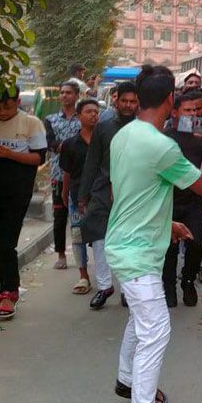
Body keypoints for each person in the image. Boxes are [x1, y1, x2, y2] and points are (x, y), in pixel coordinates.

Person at [104, 67, 202, 403]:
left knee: (141, 318)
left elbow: (131, 189)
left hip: (131, 243)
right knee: (156, 329)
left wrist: (162, 223)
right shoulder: (161, 145)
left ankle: (126, 380)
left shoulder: (125, 135)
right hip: (136, 251)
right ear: (170, 99)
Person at [0, 86, 48, 320]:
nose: (2, 112)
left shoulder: (31, 123)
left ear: (17, 102)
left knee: (5, 242)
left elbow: (38, 158)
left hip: (18, 190)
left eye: (7, 106)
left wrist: (8, 154)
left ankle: (9, 293)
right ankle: (4, 289)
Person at [79, 81, 139, 310]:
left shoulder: (144, 128)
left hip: (133, 193)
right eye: (124, 100)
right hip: (103, 191)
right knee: (99, 237)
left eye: (133, 101)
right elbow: (92, 162)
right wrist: (83, 196)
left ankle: (127, 290)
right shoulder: (103, 128)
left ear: (138, 103)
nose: (128, 105)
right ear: (116, 100)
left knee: (128, 243)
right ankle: (105, 287)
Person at [160, 92, 202, 308]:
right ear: (175, 112)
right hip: (168, 201)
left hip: (194, 200)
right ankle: (168, 286)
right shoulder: (165, 137)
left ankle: (188, 280)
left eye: (196, 109)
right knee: (168, 248)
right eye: (187, 110)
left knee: (196, 242)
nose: (193, 114)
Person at [59, 99, 102, 295]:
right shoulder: (69, 145)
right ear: (78, 116)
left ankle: (105, 276)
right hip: (77, 196)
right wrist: (64, 192)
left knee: (103, 238)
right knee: (78, 237)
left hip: (101, 197)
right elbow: (67, 172)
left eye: (96, 111)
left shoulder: (104, 141)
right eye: (88, 111)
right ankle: (83, 276)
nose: (93, 115)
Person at [45, 79, 82, 270]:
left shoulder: (83, 118)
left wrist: (65, 147)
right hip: (58, 174)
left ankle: (82, 256)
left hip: (81, 175)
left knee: (81, 215)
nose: (65, 95)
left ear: (77, 96)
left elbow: (87, 142)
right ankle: (61, 255)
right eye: (62, 92)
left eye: (69, 92)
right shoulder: (51, 120)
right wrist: (73, 147)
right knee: (59, 215)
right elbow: (51, 144)